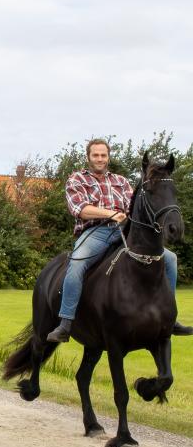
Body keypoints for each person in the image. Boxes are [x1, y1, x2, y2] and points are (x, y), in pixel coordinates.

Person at [47, 138, 193, 343]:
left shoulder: (121, 181)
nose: (100, 159)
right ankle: (65, 323)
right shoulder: (77, 179)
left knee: (170, 259)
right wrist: (110, 213)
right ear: (88, 157)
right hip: (94, 232)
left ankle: (171, 318)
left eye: (103, 155)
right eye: (95, 155)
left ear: (108, 157)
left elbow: (134, 208)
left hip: (124, 231)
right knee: (77, 264)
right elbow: (79, 209)